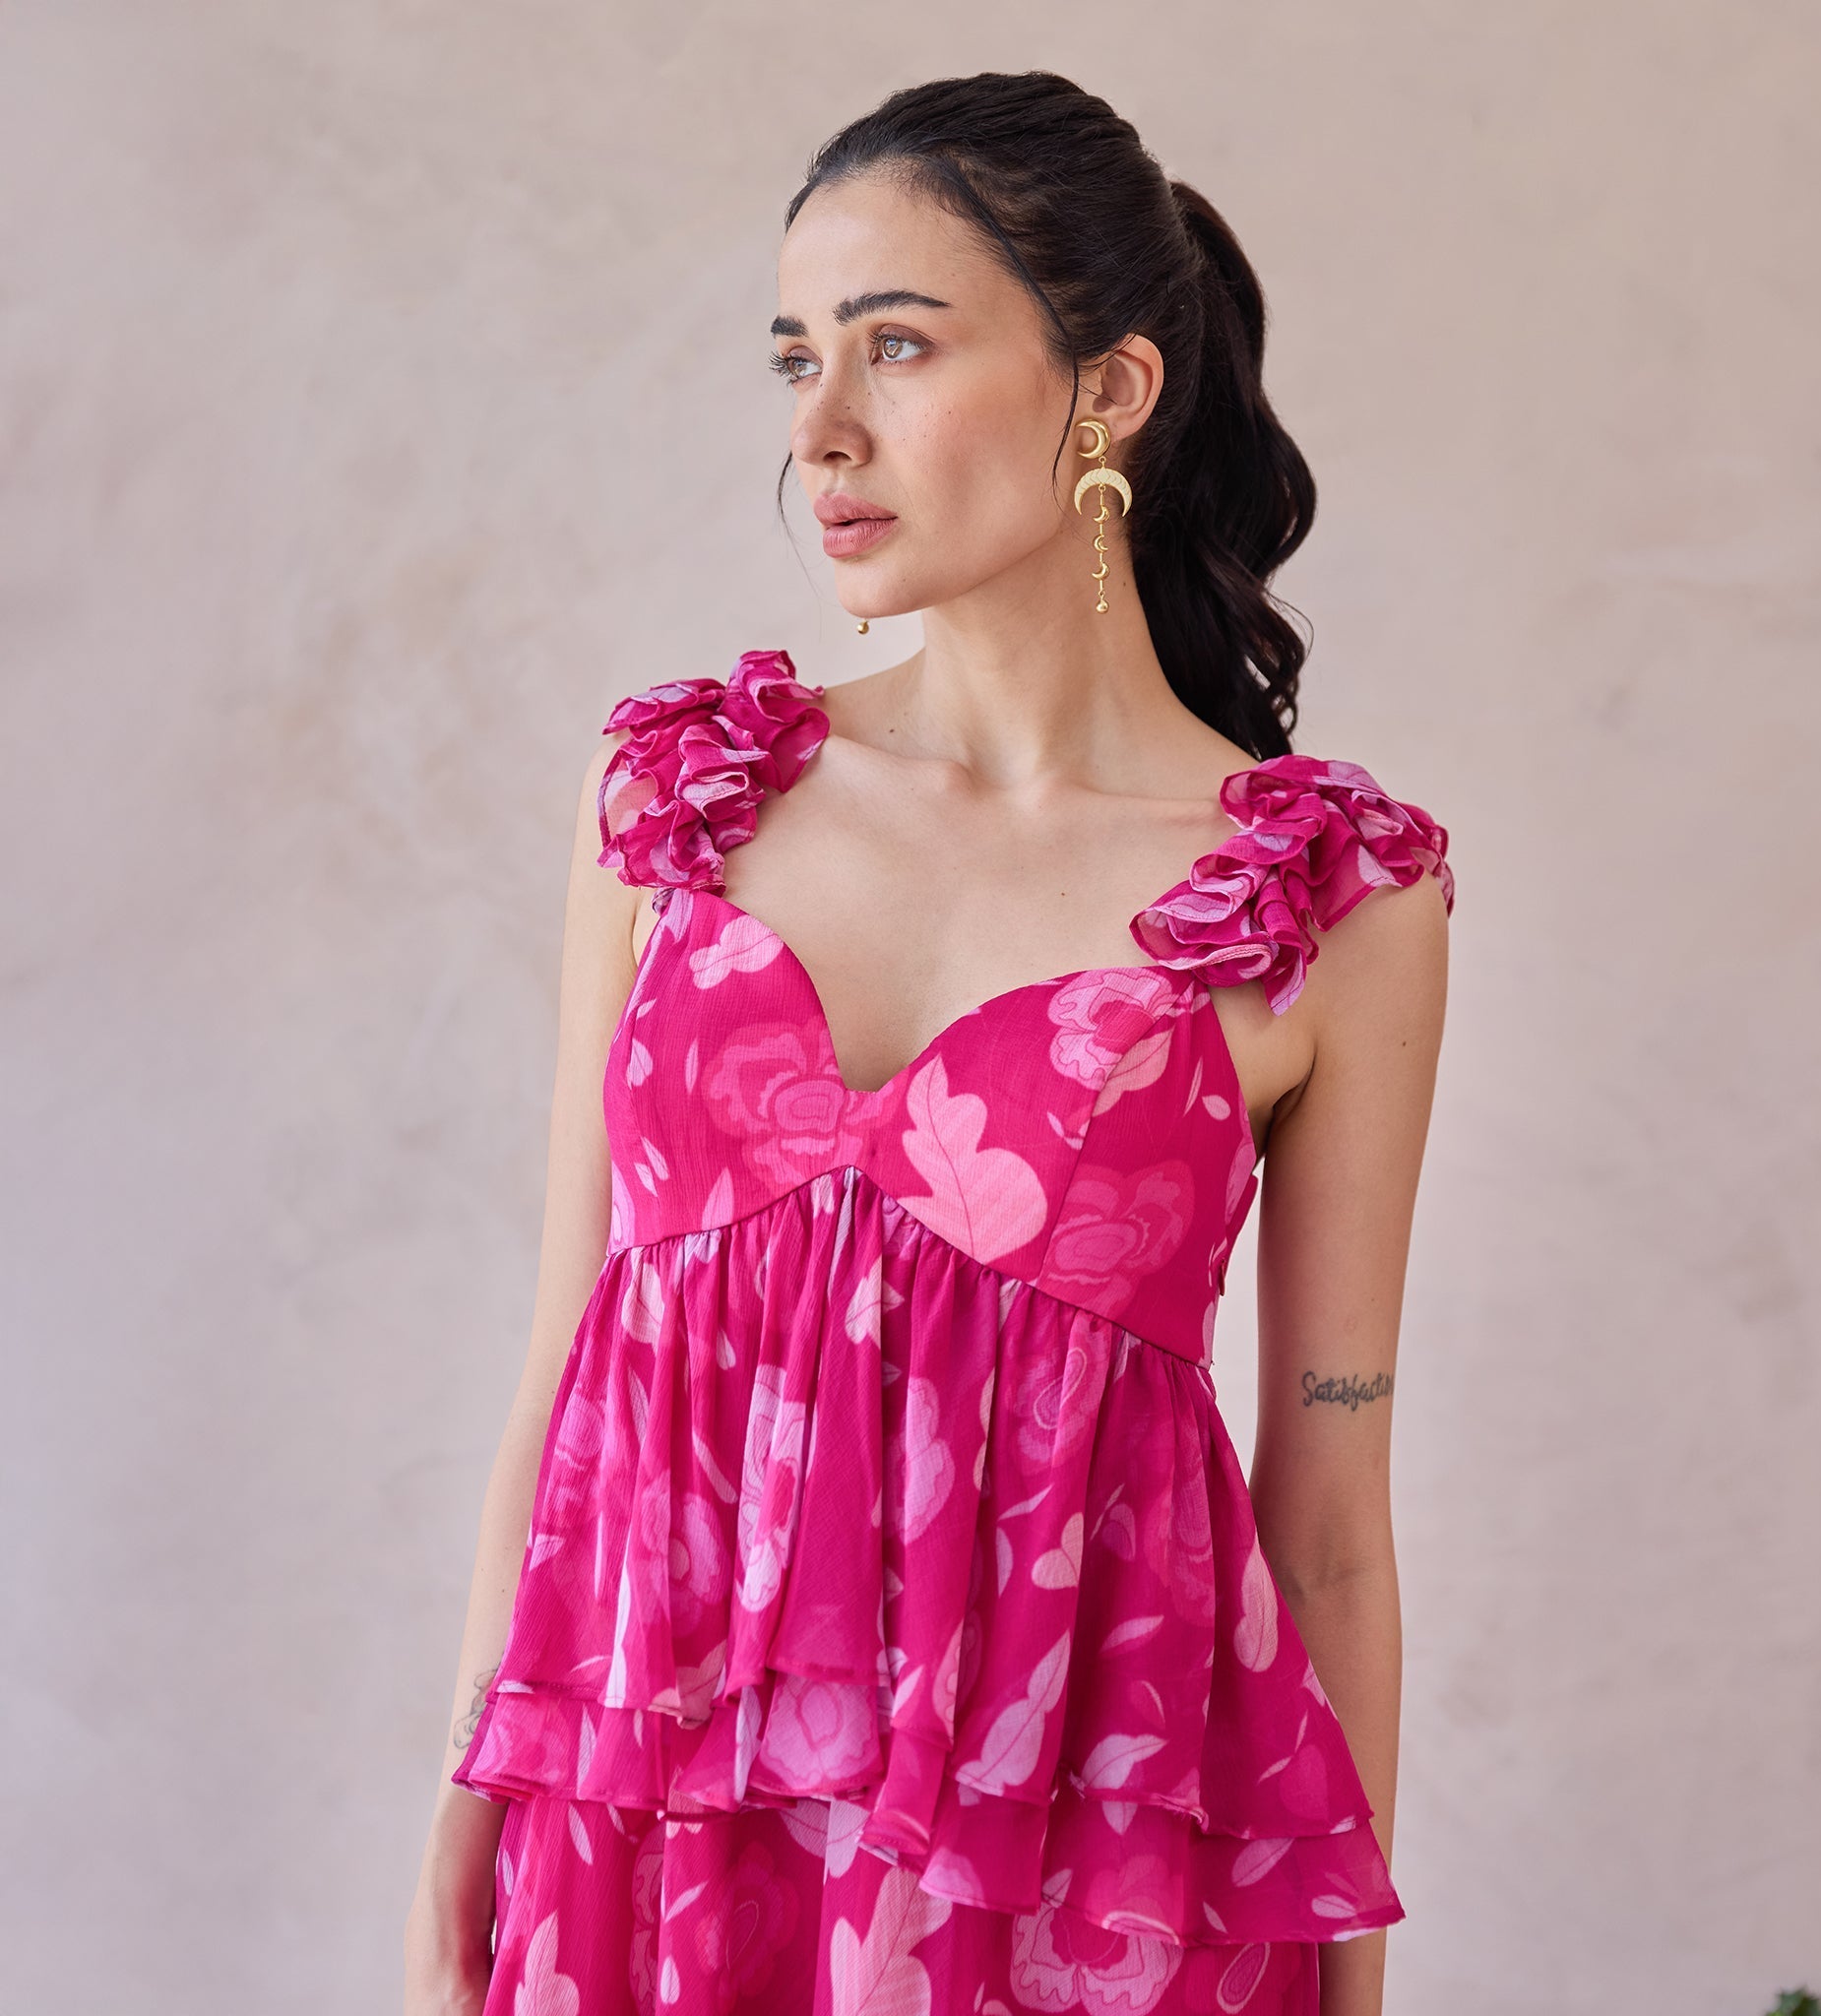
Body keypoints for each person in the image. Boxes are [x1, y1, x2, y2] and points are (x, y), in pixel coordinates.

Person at [404, 69, 1453, 2016]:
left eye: (896, 346)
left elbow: (1326, 1522)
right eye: (795, 356)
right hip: (657, 1839)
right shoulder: (676, 801)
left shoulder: (1334, 901)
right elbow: (564, 1366)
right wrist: (476, 1789)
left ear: (1107, 390)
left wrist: (1354, 1987)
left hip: (1079, 1878)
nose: (820, 430)